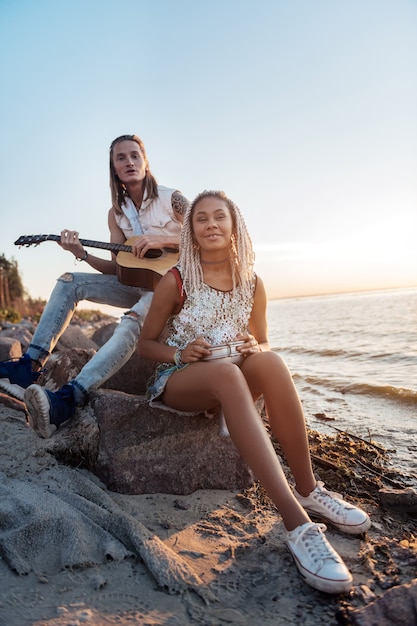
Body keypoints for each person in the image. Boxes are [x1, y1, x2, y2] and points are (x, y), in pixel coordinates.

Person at [137, 190, 371, 595]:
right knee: (227, 375)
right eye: (201, 219)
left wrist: (252, 346)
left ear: (234, 226)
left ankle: (309, 489)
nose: (211, 224)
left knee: (273, 361)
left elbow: (262, 341)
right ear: (191, 231)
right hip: (180, 378)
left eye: (219, 217)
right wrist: (180, 350)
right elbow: (145, 345)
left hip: (232, 370)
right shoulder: (176, 280)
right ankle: (298, 525)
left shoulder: (252, 281)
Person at [0, 134, 188, 438]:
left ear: (145, 161)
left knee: (130, 322)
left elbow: (208, 231)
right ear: (113, 168)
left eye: (134, 155)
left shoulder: (173, 199)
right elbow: (119, 268)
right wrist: (81, 254)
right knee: (69, 282)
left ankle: (69, 398)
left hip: (176, 289)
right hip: (138, 285)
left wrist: (162, 239)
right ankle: (30, 363)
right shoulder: (117, 214)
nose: (129, 162)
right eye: (121, 158)